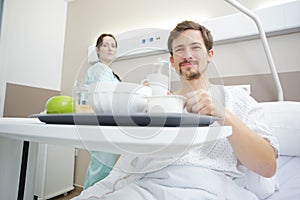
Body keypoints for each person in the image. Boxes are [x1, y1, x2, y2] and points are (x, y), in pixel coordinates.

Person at [73, 21, 279, 199]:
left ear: (210, 54)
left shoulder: (237, 99)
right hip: (146, 185)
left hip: (208, 185)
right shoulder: (157, 103)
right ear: (172, 61)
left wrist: (221, 113)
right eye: (179, 49)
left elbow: (267, 166)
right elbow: (134, 155)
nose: (187, 55)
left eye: (195, 47)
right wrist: (143, 104)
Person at [83, 33, 121, 190]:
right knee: (101, 167)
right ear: (98, 50)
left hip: (107, 124)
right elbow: (105, 98)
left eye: (113, 45)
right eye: (105, 45)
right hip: (100, 124)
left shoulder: (110, 73)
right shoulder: (98, 69)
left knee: (104, 166)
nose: (110, 48)